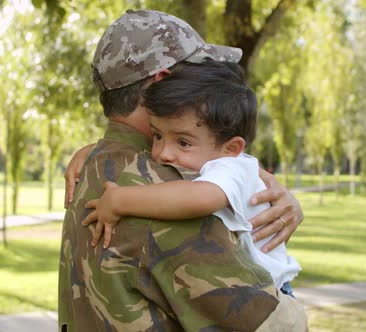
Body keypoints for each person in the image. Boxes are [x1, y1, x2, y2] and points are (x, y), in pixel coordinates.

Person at [58, 9, 308, 331]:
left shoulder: (90, 169)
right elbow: (270, 324)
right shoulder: (162, 195)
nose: (207, 88)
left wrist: (258, 180)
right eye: (198, 74)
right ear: (162, 82)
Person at [82, 60, 301, 296]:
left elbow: (201, 198)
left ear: (231, 148)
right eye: (157, 135)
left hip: (274, 291)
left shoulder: (232, 169)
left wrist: (120, 200)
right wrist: (91, 150)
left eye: (183, 143)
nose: (163, 153)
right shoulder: (221, 157)